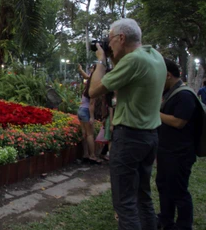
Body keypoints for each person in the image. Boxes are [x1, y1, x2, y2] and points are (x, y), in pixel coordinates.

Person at [89, 18, 166, 230]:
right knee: (143, 196)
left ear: (121, 38)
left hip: (130, 137)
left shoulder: (133, 61)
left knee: (124, 202)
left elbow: (93, 90)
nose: (108, 43)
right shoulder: (155, 56)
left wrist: (100, 60)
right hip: (150, 137)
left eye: (110, 39)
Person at [156, 59, 199, 230]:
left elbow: (179, 122)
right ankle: (165, 219)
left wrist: (155, 112)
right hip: (167, 151)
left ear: (167, 75)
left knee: (179, 190)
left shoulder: (184, 95)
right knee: (164, 186)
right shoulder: (171, 93)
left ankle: (183, 225)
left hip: (180, 153)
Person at [77, 65, 102, 164]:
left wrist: (80, 70)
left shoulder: (88, 82)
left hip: (80, 110)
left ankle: (85, 154)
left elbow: (86, 76)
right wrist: (92, 117)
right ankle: (92, 156)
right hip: (86, 111)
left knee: (84, 133)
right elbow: (92, 104)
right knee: (90, 134)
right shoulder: (93, 86)